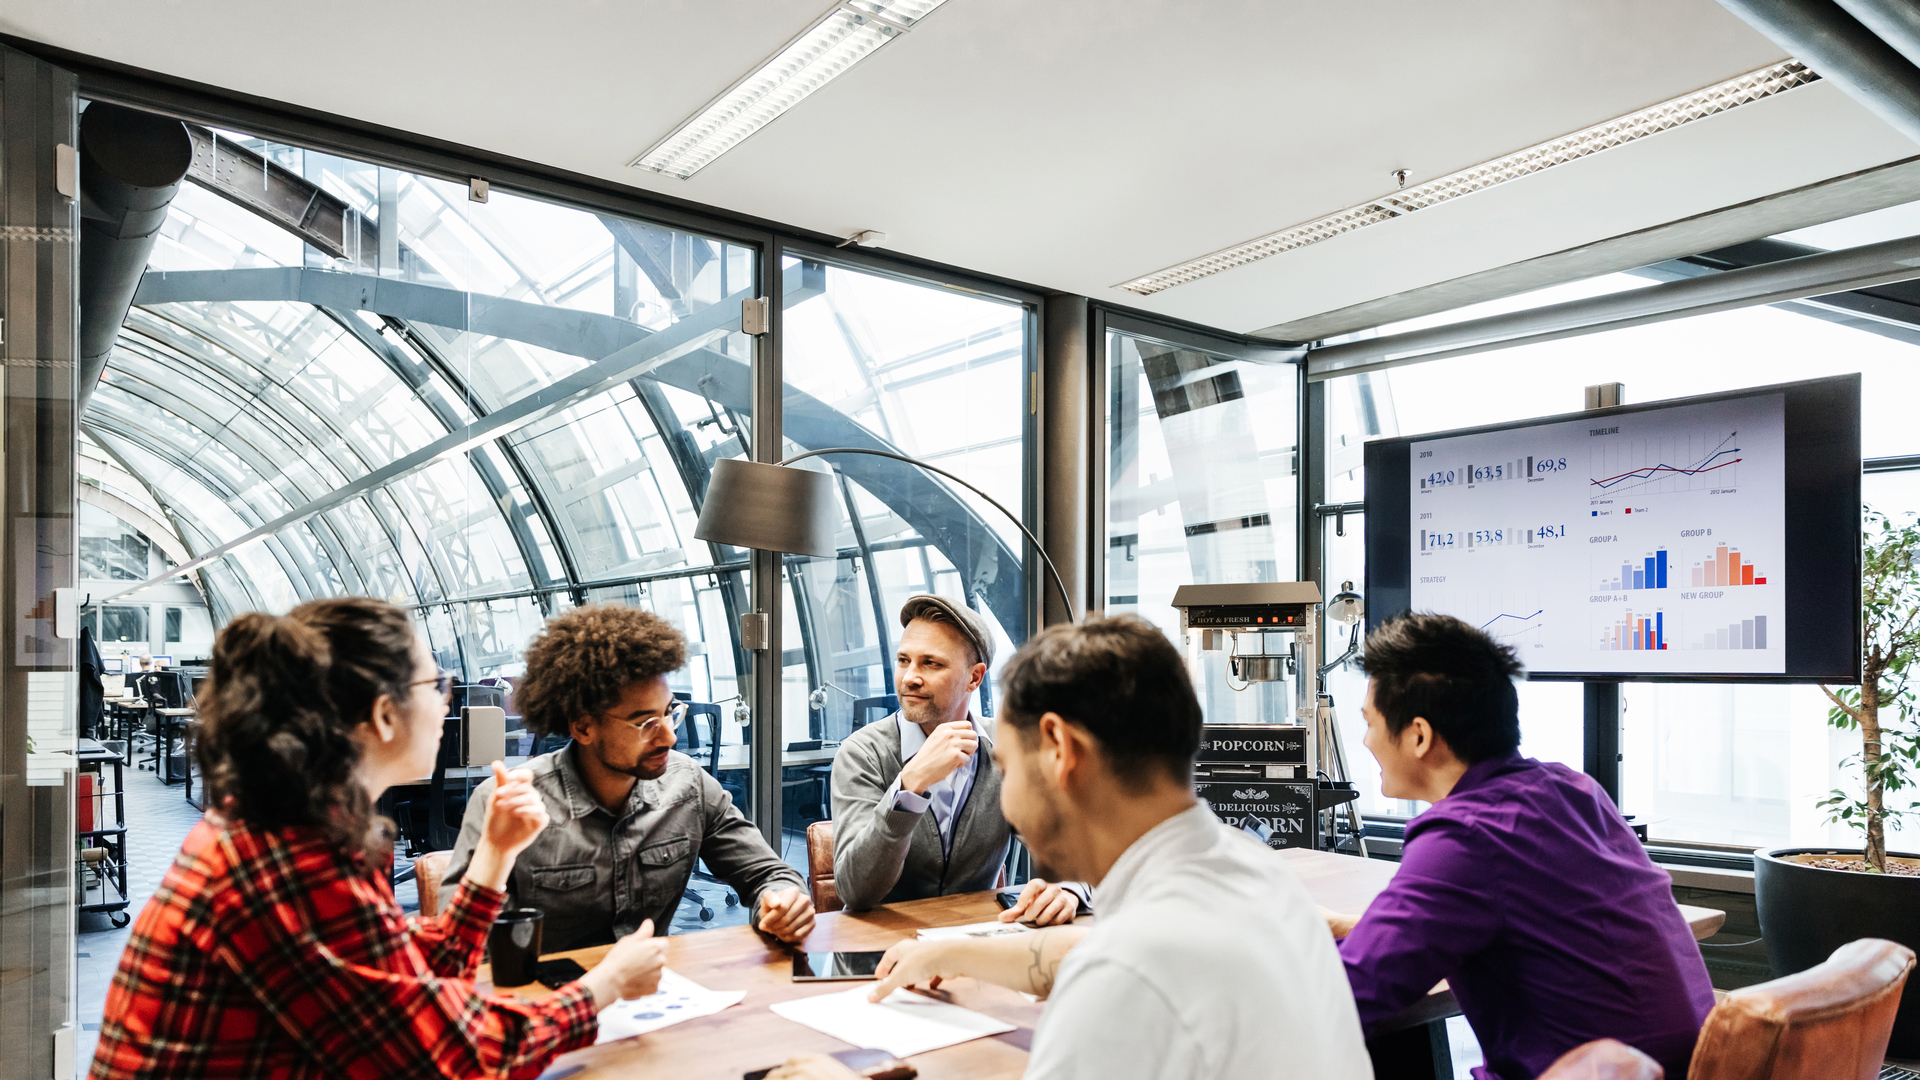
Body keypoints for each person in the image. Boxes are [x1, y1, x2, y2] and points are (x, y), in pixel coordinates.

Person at [89, 598, 668, 1080]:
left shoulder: (292, 826)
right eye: (436, 682)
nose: (448, 699)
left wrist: (495, 854)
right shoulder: (291, 865)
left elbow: (407, 984)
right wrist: (603, 987)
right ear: (384, 716)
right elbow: (447, 1060)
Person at [773, 616, 1372, 1080]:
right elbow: (1090, 949)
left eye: (1007, 767)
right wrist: (952, 952)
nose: (1004, 799)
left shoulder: (1122, 980)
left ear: (1059, 749)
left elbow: (1116, 965)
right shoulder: (1249, 873)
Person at [1325, 613, 1714, 1080]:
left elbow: (1347, 999)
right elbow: (1524, 920)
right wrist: (1355, 927)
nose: (1365, 741)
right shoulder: (1572, 790)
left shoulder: (1466, 837)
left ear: (1419, 736)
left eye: (1368, 722)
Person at [442, 604, 814, 952]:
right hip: (549, 1007)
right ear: (584, 726)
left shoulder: (689, 786)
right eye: (645, 722)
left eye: (670, 713)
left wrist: (780, 902)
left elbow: (768, 874)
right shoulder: (511, 803)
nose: (668, 735)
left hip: (656, 996)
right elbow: (456, 944)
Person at [830, 595, 1082, 926]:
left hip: (977, 948)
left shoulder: (1006, 747)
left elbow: (1065, 844)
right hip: (876, 956)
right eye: (904, 660)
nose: (909, 677)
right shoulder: (862, 753)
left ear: (975, 678)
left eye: (931, 663)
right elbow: (855, 890)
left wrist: (1071, 889)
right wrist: (909, 785)